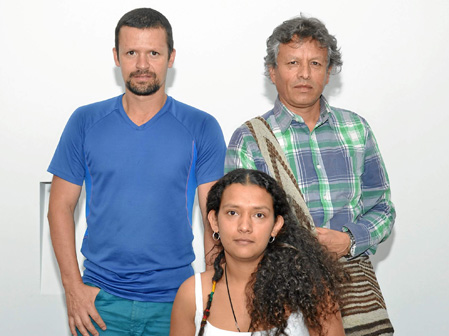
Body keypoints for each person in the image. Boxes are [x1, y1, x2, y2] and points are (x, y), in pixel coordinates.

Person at [47, 8, 226, 336]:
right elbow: (59, 208)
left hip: (176, 300)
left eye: (154, 53)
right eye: (132, 53)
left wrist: (211, 289)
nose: (142, 65)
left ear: (171, 57)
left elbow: (214, 215)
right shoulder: (85, 122)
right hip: (99, 302)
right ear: (116, 56)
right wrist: (73, 289)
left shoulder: (201, 127)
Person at [225, 15, 395, 335]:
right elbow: (236, 225)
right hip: (281, 293)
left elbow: (383, 207)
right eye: (292, 62)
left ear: (328, 72)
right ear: (272, 72)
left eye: (315, 63)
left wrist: (350, 240)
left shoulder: (356, 130)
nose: (304, 73)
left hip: (354, 290)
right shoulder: (250, 139)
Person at [170, 169, 346, 336]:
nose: (244, 226)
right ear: (214, 221)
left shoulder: (311, 289)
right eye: (232, 213)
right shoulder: (192, 294)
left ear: (276, 225)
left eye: (259, 215)